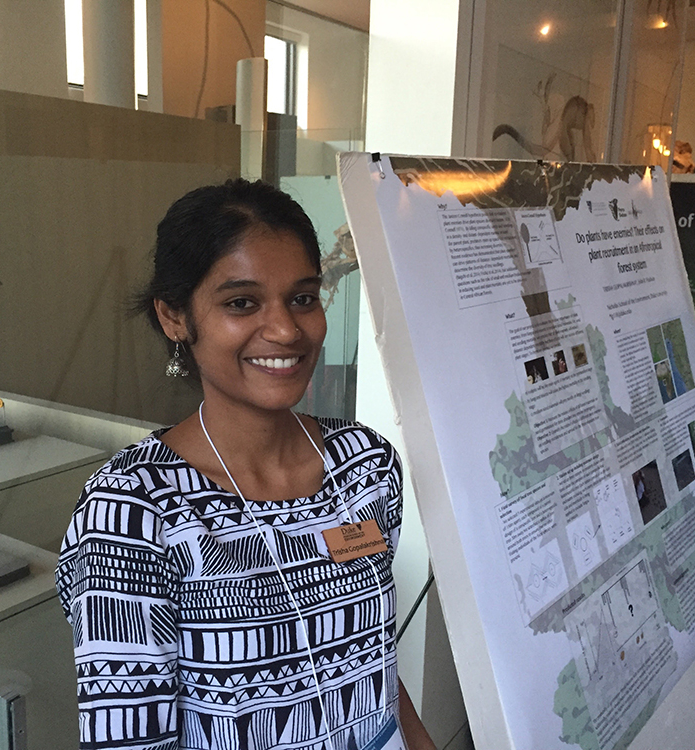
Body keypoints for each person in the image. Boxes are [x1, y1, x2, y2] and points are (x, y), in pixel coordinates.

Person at [56, 179, 436, 750]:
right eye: (241, 303)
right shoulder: (133, 513)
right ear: (174, 317)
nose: (286, 329)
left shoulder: (366, 464)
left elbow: (372, 666)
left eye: (303, 297)